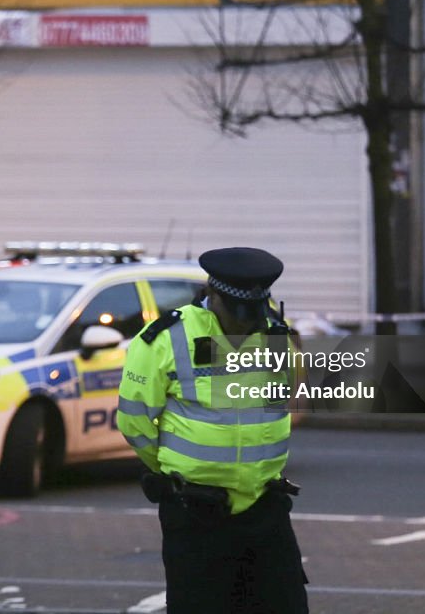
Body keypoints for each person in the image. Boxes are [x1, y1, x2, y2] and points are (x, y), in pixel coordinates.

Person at [117, 247, 308, 614]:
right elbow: (134, 421)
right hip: (196, 513)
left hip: (264, 508)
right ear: (212, 294)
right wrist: (173, 471)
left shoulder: (274, 334)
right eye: (236, 315)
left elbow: (277, 406)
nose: (243, 325)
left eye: (252, 314)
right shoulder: (166, 338)